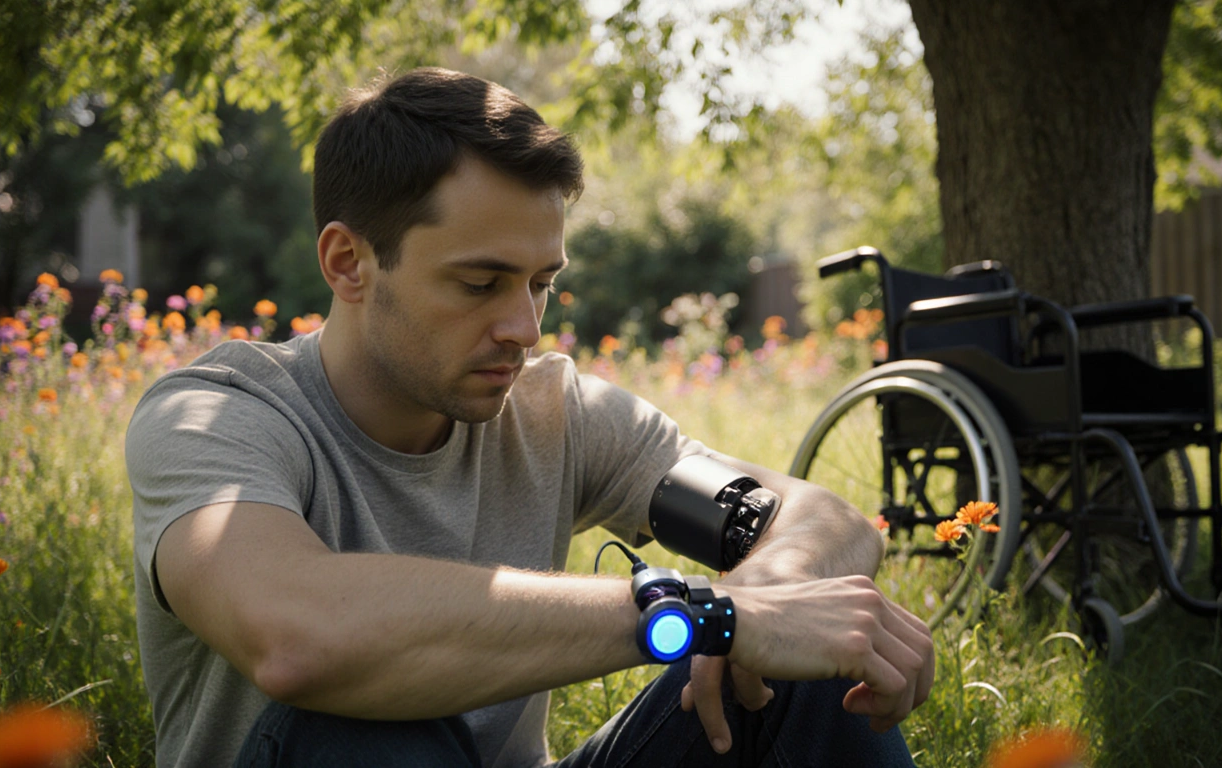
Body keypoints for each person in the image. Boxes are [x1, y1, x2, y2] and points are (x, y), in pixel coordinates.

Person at [126, 67, 933, 768]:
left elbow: (821, 519)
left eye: (541, 282)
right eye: (481, 284)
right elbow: (297, 636)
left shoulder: (554, 413)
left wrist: (770, 601)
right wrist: (701, 617)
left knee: (803, 673)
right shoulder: (217, 416)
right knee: (365, 733)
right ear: (349, 263)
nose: (526, 327)